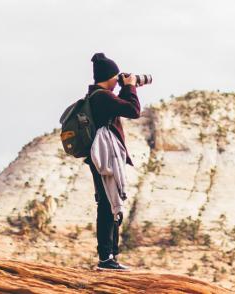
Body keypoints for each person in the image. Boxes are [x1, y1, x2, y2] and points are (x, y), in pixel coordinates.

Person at [84, 53, 140, 271]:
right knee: (108, 205)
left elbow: (123, 107)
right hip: (105, 156)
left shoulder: (97, 96)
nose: (118, 80)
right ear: (109, 76)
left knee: (109, 203)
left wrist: (127, 88)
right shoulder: (102, 97)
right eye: (116, 77)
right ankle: (106, 258)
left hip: (100, 156)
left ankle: (110, 257)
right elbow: (133, 110)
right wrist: (131, 86)